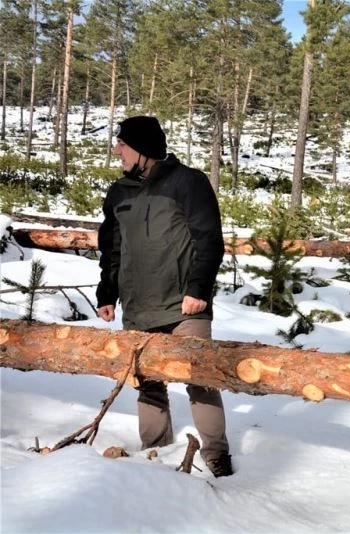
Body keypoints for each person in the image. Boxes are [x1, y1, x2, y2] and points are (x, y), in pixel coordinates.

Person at [96, 115, 232, 477]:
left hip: (185, 307)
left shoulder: (188, 182)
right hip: (138, 308)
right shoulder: (119, 192)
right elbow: (111, 248)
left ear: (143, 148)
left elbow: (209, 241)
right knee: (147, 385)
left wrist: (198, 290)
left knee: (200, 380)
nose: (117, 150)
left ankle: (217, 458)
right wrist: (107, 293)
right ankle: (153, 456)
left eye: (123, 144)